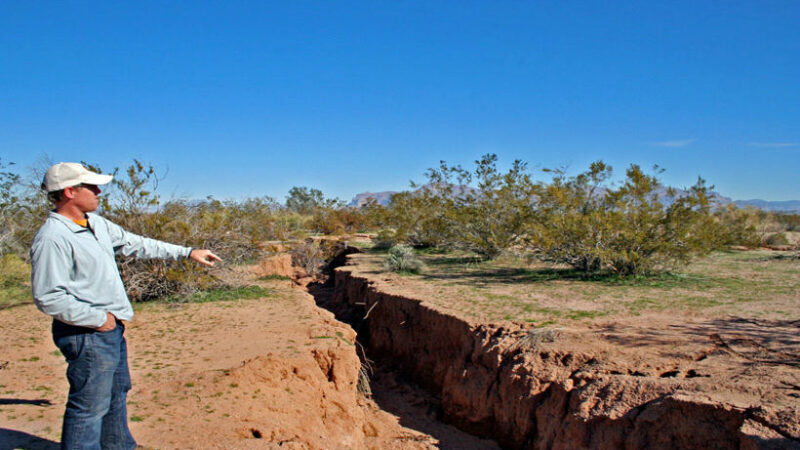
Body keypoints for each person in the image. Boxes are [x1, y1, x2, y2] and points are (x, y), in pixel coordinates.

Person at [30, 162, 221, 450]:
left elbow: (138, 243)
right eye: (92, 187)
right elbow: (48, 295)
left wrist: (188, 252)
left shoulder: (97, 224)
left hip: (109, 329)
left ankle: (119, 446)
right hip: (86, 332)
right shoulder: (53, 237)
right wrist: (98, 319)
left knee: (117, 392)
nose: (98, 192)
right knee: (89, 405)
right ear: (70, 191)